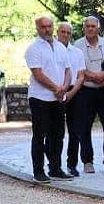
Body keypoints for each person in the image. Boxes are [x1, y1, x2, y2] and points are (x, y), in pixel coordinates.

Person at [26, 14, 73, 182]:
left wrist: (64, 87)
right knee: (40, 135)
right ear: (37, 28)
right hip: (40, 98)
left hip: (58, 99)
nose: (47, 30)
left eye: (49, 26)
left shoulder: (61, 47)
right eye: (43, 27)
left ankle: (55, 168)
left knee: (58, 135)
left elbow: (68, 70)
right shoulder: (33, 48)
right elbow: (38, 74)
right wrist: (56, 88)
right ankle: (38, 171)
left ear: (53, 27)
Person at [71, 16, 104, 174]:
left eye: (93, 26)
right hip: (85, 91)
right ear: (83, 28)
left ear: (98, 28)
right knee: (84, 127)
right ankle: (87, 161)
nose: (90, 29)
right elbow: (77, 68)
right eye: (88, 26)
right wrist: (96, 77)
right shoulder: (77, 45)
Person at [56, 21, 84, 176]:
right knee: (56, 131)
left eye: (68, 32)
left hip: (74, 92)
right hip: (56, 92)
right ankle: (55, 164)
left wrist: (71, 93)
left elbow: (81, 76)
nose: (65, 35)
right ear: (57, 33)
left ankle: (72, 165)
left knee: (75, 132)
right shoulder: (52, 50)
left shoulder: (77, 53)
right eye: (63, 32)